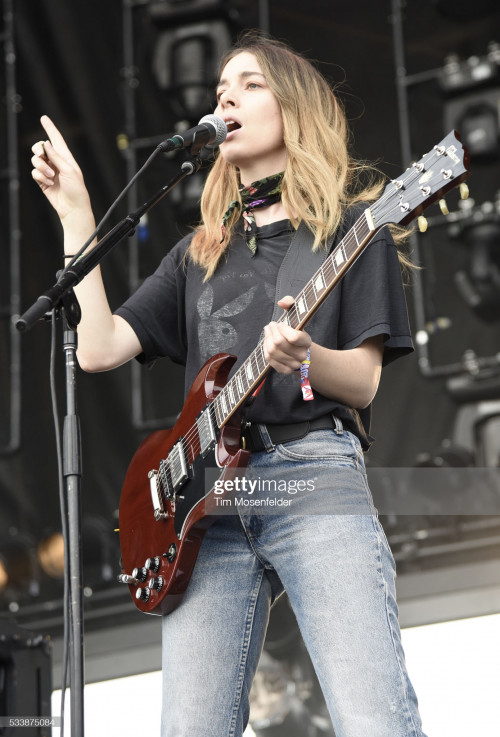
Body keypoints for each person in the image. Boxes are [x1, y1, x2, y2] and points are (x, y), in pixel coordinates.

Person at [31, 30, 428, 737]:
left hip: (312, 473)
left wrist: (305, 353)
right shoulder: (198, 252)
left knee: (375, 719)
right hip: (206, 507)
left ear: (292, 109)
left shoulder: (350, 228)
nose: (226, 97)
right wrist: (76, 214)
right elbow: (97, 347)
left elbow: (363, 383)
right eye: (221, 90)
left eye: (248, 85)